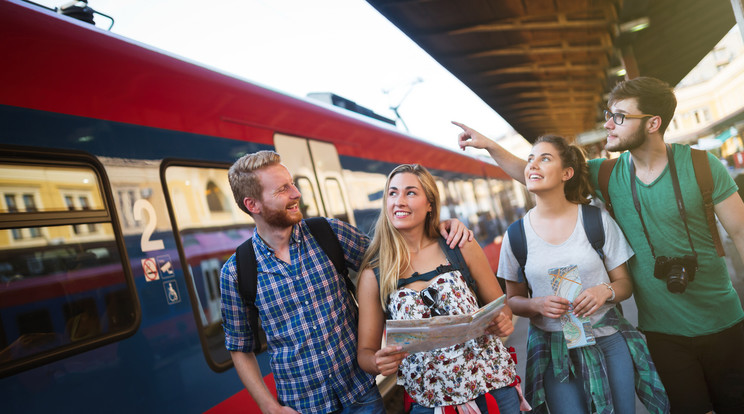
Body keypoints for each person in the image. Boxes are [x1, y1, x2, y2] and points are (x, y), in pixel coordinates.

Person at [454, 76, 744, 414]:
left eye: (620, 116)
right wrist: (490, 145)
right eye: (609, 113)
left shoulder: (701, 165)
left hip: (725, 321)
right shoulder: (607, 175)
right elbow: (537, 172)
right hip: (663, 332)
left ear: (653, 123)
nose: (608, 123)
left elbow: (740, 233)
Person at [220, 151, 473, 414]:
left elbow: (396, 259)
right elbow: (240, 347)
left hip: (360, 395)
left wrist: (437, 227)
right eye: (283, 189)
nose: (296, 193)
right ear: (253, 205)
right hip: (302, 406)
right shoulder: (237, 273)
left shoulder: (329, 233)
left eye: (293, 183)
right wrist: (268, 406)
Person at [497, 135, 669, 413]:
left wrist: (605, 291)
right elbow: (513, 300)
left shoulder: (595, 220)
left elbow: (625, 284)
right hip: (554, 353)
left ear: (567, 173)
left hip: (608, 341)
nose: (532, 165)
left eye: (545, 158)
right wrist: (536, 304)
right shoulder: (516, 235)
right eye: (530, 159)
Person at [356, 164, 521, 413]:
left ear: (430, 203)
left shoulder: (459, 245)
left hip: (494, 390)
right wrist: (378, 363)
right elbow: (365, 353)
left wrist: (503, 321)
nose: (399, 201)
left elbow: (503, 309)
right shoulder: (375, 273)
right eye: (392, 193)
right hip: (429, 404)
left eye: (410, 193)